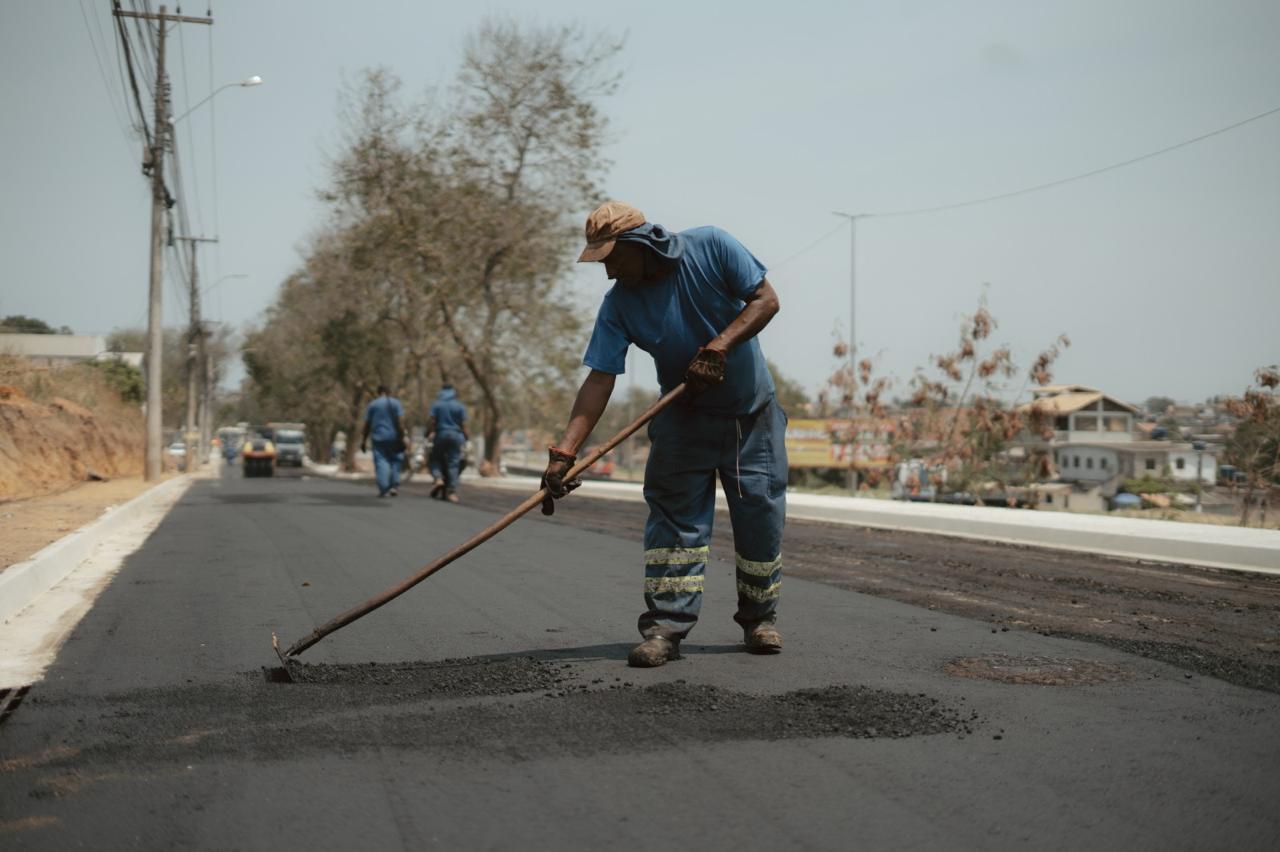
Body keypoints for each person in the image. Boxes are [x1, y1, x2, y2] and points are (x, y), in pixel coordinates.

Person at [543, 201, 788, 668]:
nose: (609, 273)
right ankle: (665, 631)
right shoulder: (619, 304)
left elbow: (766, 300)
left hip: (749, 419)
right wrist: (565, 452)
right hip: (682, 419)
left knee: (759, 518)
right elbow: (600, 378)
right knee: (675, 527)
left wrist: (719, 347)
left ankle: (759, 620)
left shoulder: (712, 247)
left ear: (642, 245)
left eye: (613, 258)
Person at [361, 384, 408, 498]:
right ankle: (394, 486)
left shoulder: (373, 405)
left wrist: (364, 440)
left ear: (378, 392)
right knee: (396, 461)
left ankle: (384, 487)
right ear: (389, 392)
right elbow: (400, 422)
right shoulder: (396, 403)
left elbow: (367, 424)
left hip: (378, 437)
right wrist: (402, 436)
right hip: (394, 437)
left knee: (381, 461)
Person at [426, 383, 468, 503]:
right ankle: (452, 491)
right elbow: (463, 425)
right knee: (454, 463)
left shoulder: (437, 405)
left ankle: (438, 478)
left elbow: (432, 421)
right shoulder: (459, 406)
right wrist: (467, 438)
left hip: (440, 435)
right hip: (456, 436)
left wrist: (429, 433)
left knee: (434, 459)